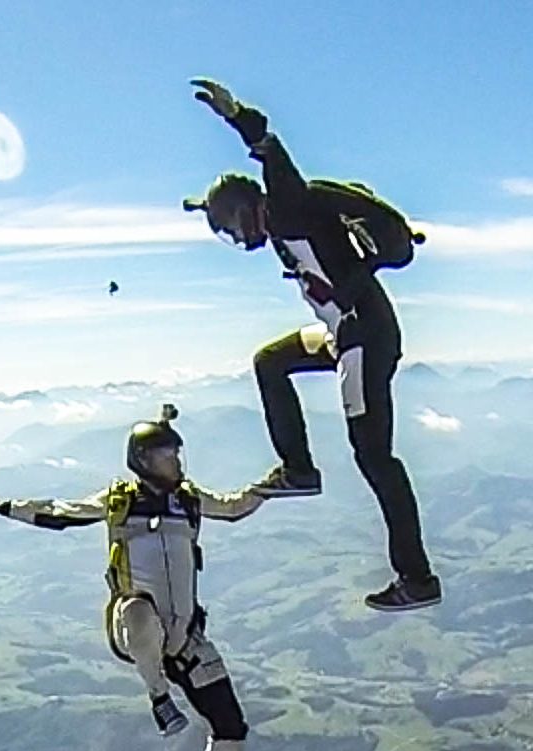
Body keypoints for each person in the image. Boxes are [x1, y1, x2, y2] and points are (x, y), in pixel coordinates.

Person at [0, 405, 268, 751]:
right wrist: (6, 507)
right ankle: (159, 699)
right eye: (168, 455)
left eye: (178, 454)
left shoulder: (187, 498)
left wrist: (273, 485)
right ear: (144, 460)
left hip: (184, 635)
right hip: (135, 627)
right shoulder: (117, 501)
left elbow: (231, 508)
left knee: (232, 729)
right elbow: (59, 512)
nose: (178, 463)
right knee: (139, 612)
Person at [187, 77, 442, 613]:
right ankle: (298, 469)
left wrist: (237, 115)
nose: (233, 241)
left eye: (226, 228)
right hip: (342, 333)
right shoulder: (282, 226)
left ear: (243, 210)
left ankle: (416, 579)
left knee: (375, 458)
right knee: (270, 361)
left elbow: (271, 152)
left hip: (363, 337)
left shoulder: (289, 207)